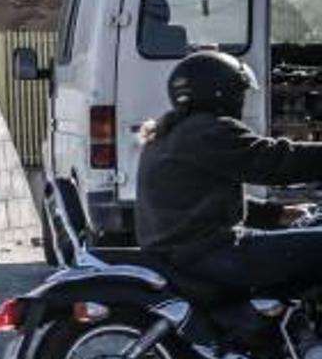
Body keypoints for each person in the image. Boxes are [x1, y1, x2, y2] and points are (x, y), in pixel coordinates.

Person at [136, 50, 322, 293]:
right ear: (220, 93)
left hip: (186, 253)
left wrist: (278, 213)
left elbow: (198, 203)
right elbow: (273, 161)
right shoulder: (205, 130)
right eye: (239, 93)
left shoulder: (171, 131)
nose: (242, 101)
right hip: (211, 254)